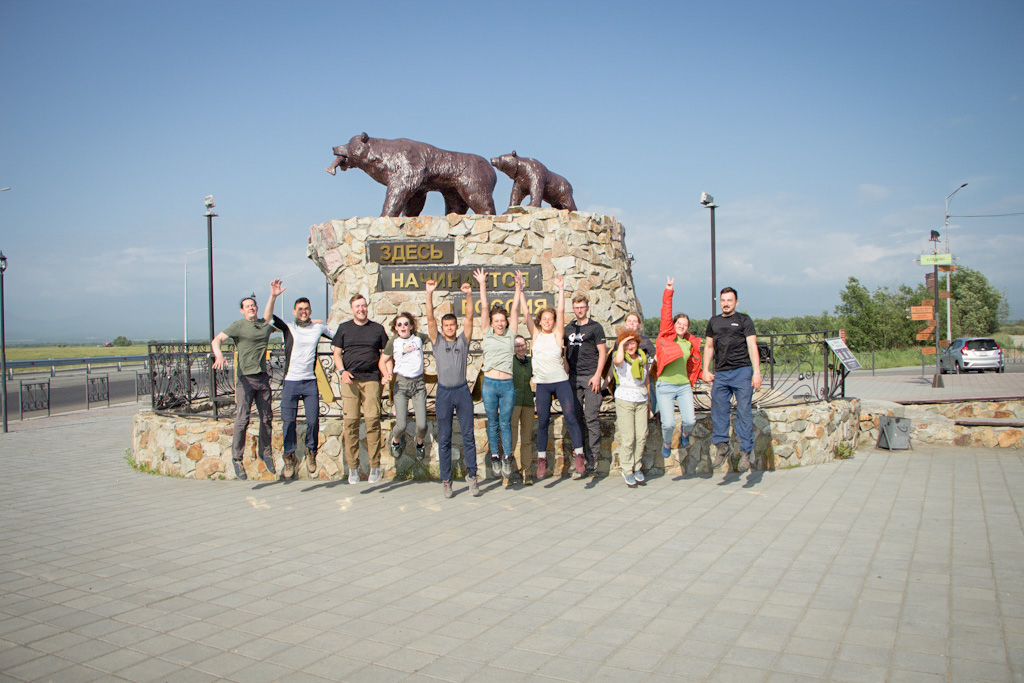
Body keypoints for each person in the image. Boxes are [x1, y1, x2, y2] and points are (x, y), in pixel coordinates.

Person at [266, 280, 333, 479]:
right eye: (300, 309)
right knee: (288, 422)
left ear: (310, 311)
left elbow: (339, 336)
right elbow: (267, 317)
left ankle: (311, 452)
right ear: (294, 311)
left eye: (306, 309)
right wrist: (273, 296)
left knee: (313, 420)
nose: (303, 312)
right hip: (291, 382)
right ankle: (289, 457)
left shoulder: (318, 329)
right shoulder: (288, 328)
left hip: (310, 382)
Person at [520, 274, 585, 479]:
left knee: (570, 416)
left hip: (560, 381)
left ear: (554, 322)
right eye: (544, 319)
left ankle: (579, 455)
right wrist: (521, 290)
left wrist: (561, 289)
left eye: (551, 319)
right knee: (543, 420)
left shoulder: (558, 335)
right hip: (542, 384)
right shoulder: (536, 335)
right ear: (540, 321)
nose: (547, 321)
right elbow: (525, 313)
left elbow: (561, 310)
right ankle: (541, 460)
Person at [211, 287, 278, 481]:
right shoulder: (238, 326)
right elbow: (217, 340)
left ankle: (265, 453)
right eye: (247, 306)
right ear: (242, 310)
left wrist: (273, 296)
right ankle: (237, 458)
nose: (251, 308)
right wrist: (219, 355)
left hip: (262, 377)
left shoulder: (264, 325)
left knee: (266, 418)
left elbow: (280, 322)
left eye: (253, 305)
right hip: (245, 379)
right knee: (242, 419)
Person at [425, 279, 482, 499]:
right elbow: (430, 318)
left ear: (456, 327)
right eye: (446, 325)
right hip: (444, 394)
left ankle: (473, 477)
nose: (449, 328)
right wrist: (429, 293)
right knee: (445, 438)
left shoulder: (462, 342)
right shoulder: (437, 341)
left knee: (468, 435)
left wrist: (469, 294)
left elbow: (469, 317)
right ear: (442, 328)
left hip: (461, 391)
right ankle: (446, 481)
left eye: (452, 325)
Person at [703, 286, 762, 473]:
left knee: (744, 410)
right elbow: (709, 347)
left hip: (742, 371)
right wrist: (705, 369)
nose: (726, 303)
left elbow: (752, 346)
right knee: (719, 408)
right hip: (721, 372)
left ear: (736, 302)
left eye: (729, 300)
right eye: (723, 300)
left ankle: (745, 451)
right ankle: (722, 445)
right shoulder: (714, 321)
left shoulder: (744, 320)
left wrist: (757, 372)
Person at [332, 293, 389, 485]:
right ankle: (353, 468)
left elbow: (386, 355)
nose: (361, 309)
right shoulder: (343, 329)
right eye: (357, 306)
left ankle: (374, 466)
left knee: (373, 422)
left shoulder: (378, 329)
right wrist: (342, 372)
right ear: (352, 309)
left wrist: (386, 374)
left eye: (363, 306)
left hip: (372, 379)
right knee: (351, 424)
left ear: (367, 307)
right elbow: (337, 354)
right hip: (350, 381)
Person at [474, 267, 522, 485]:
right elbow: (484, 307)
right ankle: (495, 456)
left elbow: (515, 310)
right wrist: (482, 284)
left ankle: (508, 457)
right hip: (490, 384)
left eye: (503, 320)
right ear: (492, 322)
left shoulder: (511, 334)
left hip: (507, 385)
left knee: (506, 423)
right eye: (497, 320)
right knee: (492, 422)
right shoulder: (487, 332)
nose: (500, 323)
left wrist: (519, 287)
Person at [654, 277, 703, 464]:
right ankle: (667, 443)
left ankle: (685, 432)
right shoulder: (667, 337)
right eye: (679, 323)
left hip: (683, 386)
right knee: (668, 423)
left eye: (685, 324)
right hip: (665, 385)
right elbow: (666, 313)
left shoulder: (690, 343)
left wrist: (702, 375)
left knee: (690, 421)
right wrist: (668, 292)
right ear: (674, 325)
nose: (682, 326)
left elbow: (693, 366)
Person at [564, 291, 607, 476]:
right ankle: (579, 455)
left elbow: (603, 353)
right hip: (573, 377)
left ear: (587, 308)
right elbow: (564, 352)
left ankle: (593, 457)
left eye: (582, 307)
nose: (580, 310)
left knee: (591, 417)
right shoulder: (568, 328)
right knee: (575, 418)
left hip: (591, 377)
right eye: (577, 307)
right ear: (573, 308)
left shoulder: (595, 328)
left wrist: (598, 375)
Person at [380, 312, 429, 462]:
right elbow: (383, 361)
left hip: (418, 384)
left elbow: (434, 336)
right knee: (401, 425)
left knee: (422, 425)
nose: (403, 326)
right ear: (395, 327)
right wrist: (386, 374)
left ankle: (419, 444)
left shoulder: (419, 338)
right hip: (401, 385)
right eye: (399, 324)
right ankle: (395, 441)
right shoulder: (393, 341)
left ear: (411, 326)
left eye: (406, 324)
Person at [611, 329, 653, 487]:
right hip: (625, 399)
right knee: (629, 437)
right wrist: (621, 343)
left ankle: (637, 466)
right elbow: (618, 360)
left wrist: (649, 399)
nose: (630, 346)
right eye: (627, 343)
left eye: (633, 342)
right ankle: (627, 469)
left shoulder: (642, 358)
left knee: (641, 435)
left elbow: (646, 379)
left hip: (641, 398)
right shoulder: (620, 358)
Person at [511, 333, 536, 484]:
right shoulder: (509, 361)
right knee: (512, 439)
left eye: (523, 345)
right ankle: (509, 472)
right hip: (513, 401)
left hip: (527, 401)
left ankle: (527, 472)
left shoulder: (531, 361)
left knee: (526, 439)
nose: (520, 348)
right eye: (517, 346)